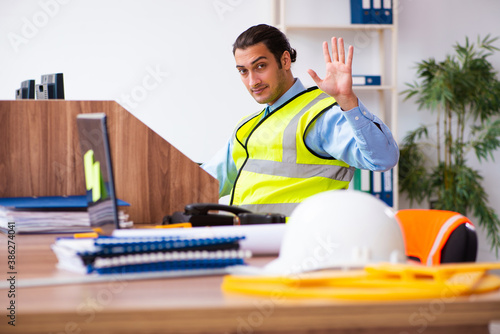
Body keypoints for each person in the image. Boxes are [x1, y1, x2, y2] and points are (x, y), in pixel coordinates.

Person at [202, 24, 399, 216]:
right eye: (243, 71)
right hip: (251, 241)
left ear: (285, 60)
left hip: (300, 242)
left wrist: (348, 100)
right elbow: (204, 182)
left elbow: (383, 159)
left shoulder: (319, 115)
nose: (253, 81)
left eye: (260, 66)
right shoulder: (247, 126)